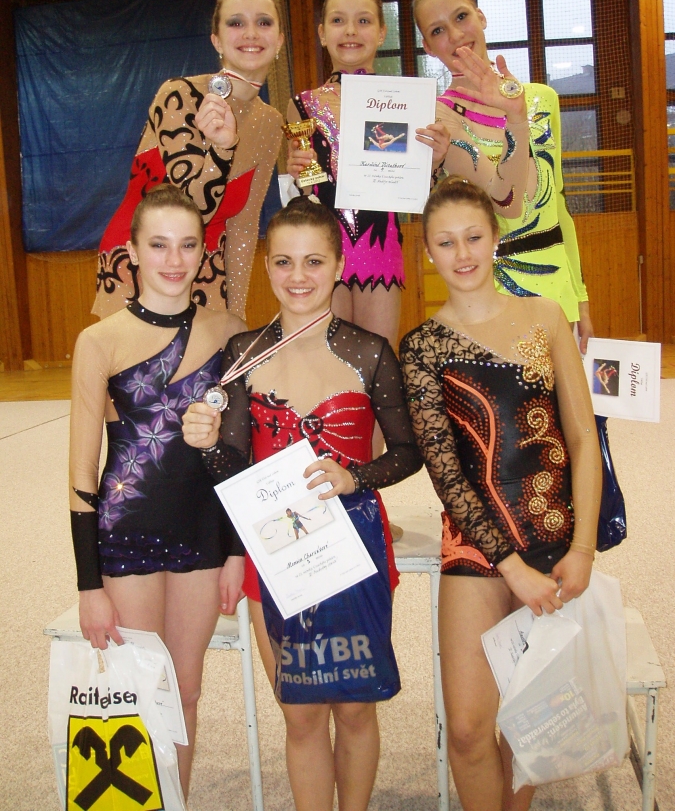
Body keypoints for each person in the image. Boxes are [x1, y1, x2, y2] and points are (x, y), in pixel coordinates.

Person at [182, 196, 423, 811]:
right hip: (275, 554)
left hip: (356, 550)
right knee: (301, 714)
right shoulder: (244, 353)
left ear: (340, 265)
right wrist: (207, 447)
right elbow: (234, 469)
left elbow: (408, 452)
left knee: (357, 710)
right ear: (267, 266)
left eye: (314, 261)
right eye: (284, 261)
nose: (298, 276)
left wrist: (355, 477)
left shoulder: (370, 352)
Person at [399, 178, 601, 811]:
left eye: (473, 237)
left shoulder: (544, 317)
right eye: (445, 242)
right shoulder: (423, 347)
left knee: (531, 717)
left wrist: (584, 550)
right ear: (428, 251)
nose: (462, 254)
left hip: (552, 537)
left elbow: (582, 439)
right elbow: (445, 473)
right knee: (466, 729)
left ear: (495, 238)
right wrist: (509, 565)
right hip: (476, 544)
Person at [70, 184, 247, 798]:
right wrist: (89, 586)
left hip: (202, 531)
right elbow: (81, 474)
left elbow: (239, 456)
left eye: (188, 246)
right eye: (159, 245)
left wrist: (235, 550)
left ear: (204, 252)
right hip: (127, 532)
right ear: (132, 253)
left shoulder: (230, 331)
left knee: (186, 690)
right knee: (141, 692)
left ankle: (179, 799)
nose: (175, 260)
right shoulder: (100, 340)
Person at [413, 0, 595, 352]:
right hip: (495, 293)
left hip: (559, 289)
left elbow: (558, 206)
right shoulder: (439, 119)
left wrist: (580, 296)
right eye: (438, 30)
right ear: (428, 47)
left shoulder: (542, 99)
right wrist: (515, 121)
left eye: (461, 17)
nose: (456, 35)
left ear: (481, 17)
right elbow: (508, 202)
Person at [94, 0, 284, 321]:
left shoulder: (271, 122)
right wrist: (222, 150)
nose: (251, 33)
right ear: (216, 40)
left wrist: (235, 313)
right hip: (142, 263)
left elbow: (243, 227)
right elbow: (193, 210)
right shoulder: (178, 95)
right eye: (236, 22)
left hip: (207, 269)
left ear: (280, 40)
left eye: (264, 22)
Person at [286, 0, 449, 348]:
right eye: (338, 20)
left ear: (380, 33)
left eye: (363, 20)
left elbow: (417, 187)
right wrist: (299, 172)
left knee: (377, 360)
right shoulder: (303, 105)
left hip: (380, 241)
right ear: (322, 33)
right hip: (323, 243)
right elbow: (308, 188)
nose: (350, 31)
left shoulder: (407, 100)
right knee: (328, 361)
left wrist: (434, 161)